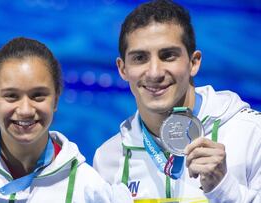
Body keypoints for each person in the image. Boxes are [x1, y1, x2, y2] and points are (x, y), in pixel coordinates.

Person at [0, 37, 132, 202]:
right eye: (11, 96)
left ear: (55, 100)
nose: (25, 110)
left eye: (38, 95)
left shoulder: (87, 188)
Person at [93, 0, 261, 202]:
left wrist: (224, 188)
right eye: (140, 58)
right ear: (122, 69)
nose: (154, 73)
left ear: (194, 62)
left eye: (168, 56)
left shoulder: (251, 134)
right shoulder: (108, 158)